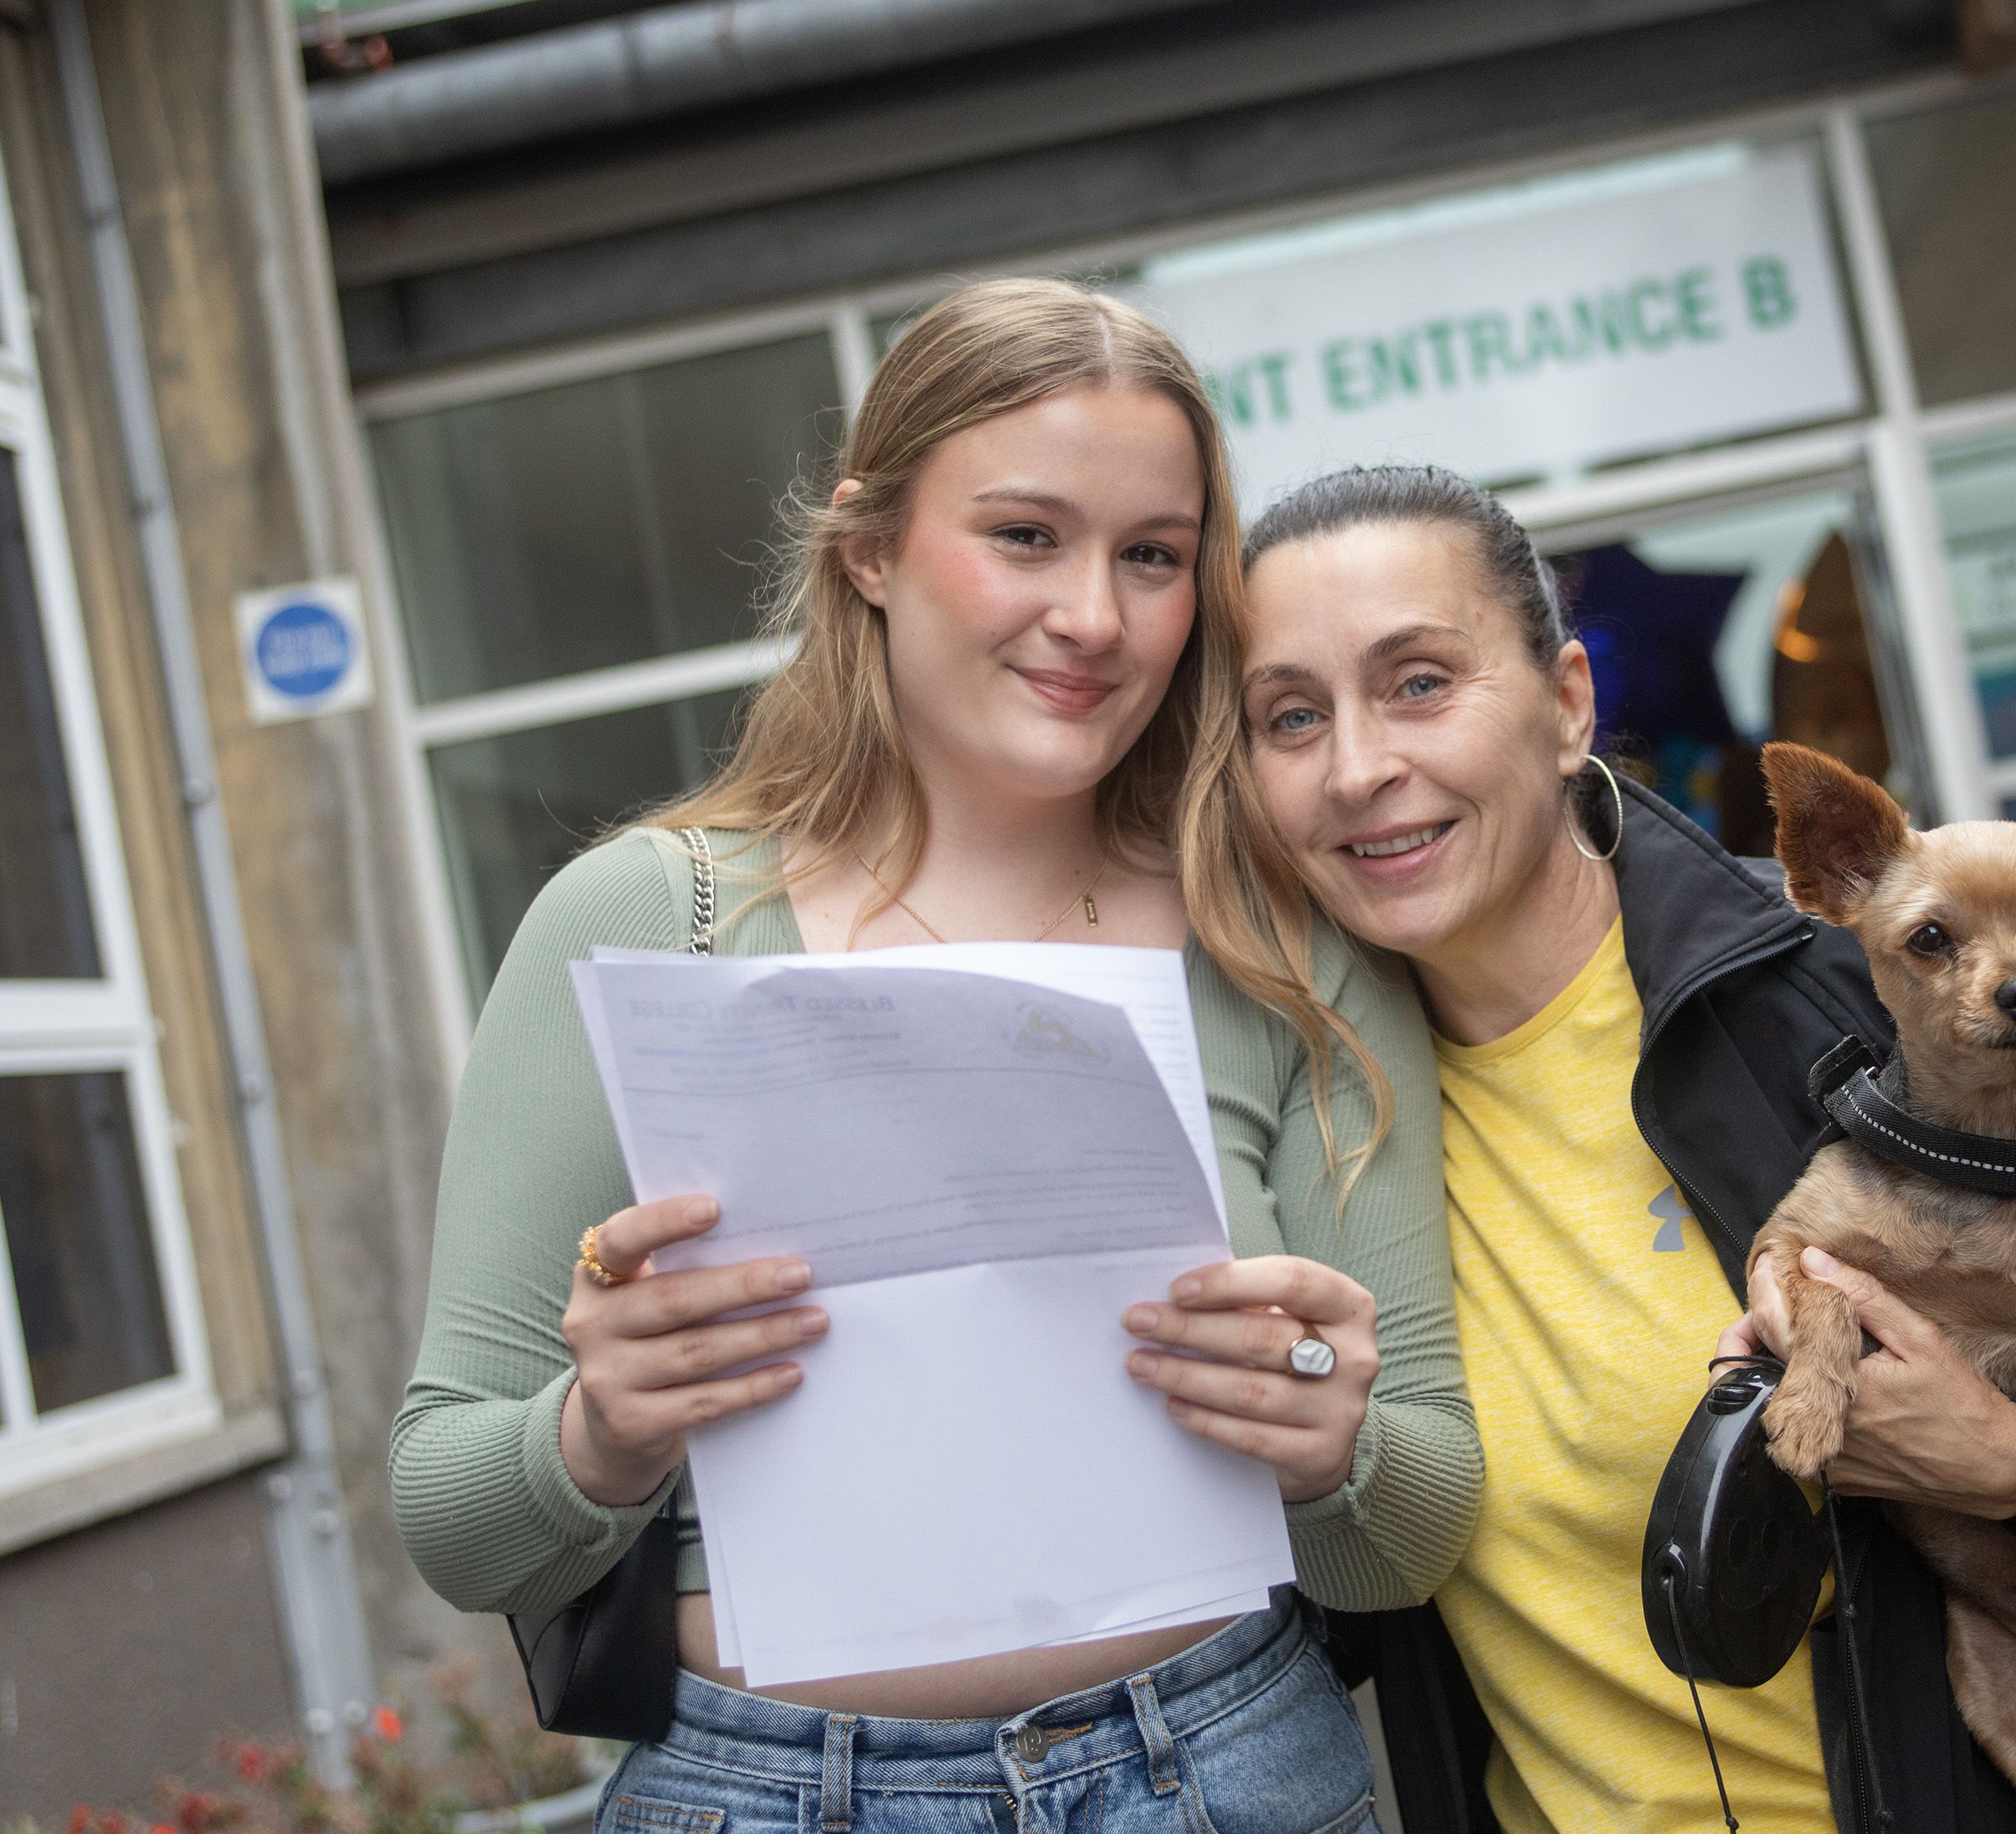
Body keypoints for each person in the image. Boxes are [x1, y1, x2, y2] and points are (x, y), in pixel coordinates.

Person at [390, 283, 1479, 1834]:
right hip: (767, 1795)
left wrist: (1330, 1448)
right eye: (1026, 536)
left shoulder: (1282, 945)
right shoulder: (654, 921)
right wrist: (602, 1429)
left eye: (1154, 556)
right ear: (871, 549)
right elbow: (454, 1519)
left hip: (1226, 1769)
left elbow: (1414, 1534)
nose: (1095, 616)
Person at [1187, 464, 2016, 1834]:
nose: (1359, 766)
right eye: (1291, 716)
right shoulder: (1289, 1097)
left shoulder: (1866, 978)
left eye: (1420, 683)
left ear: (1567, 703)